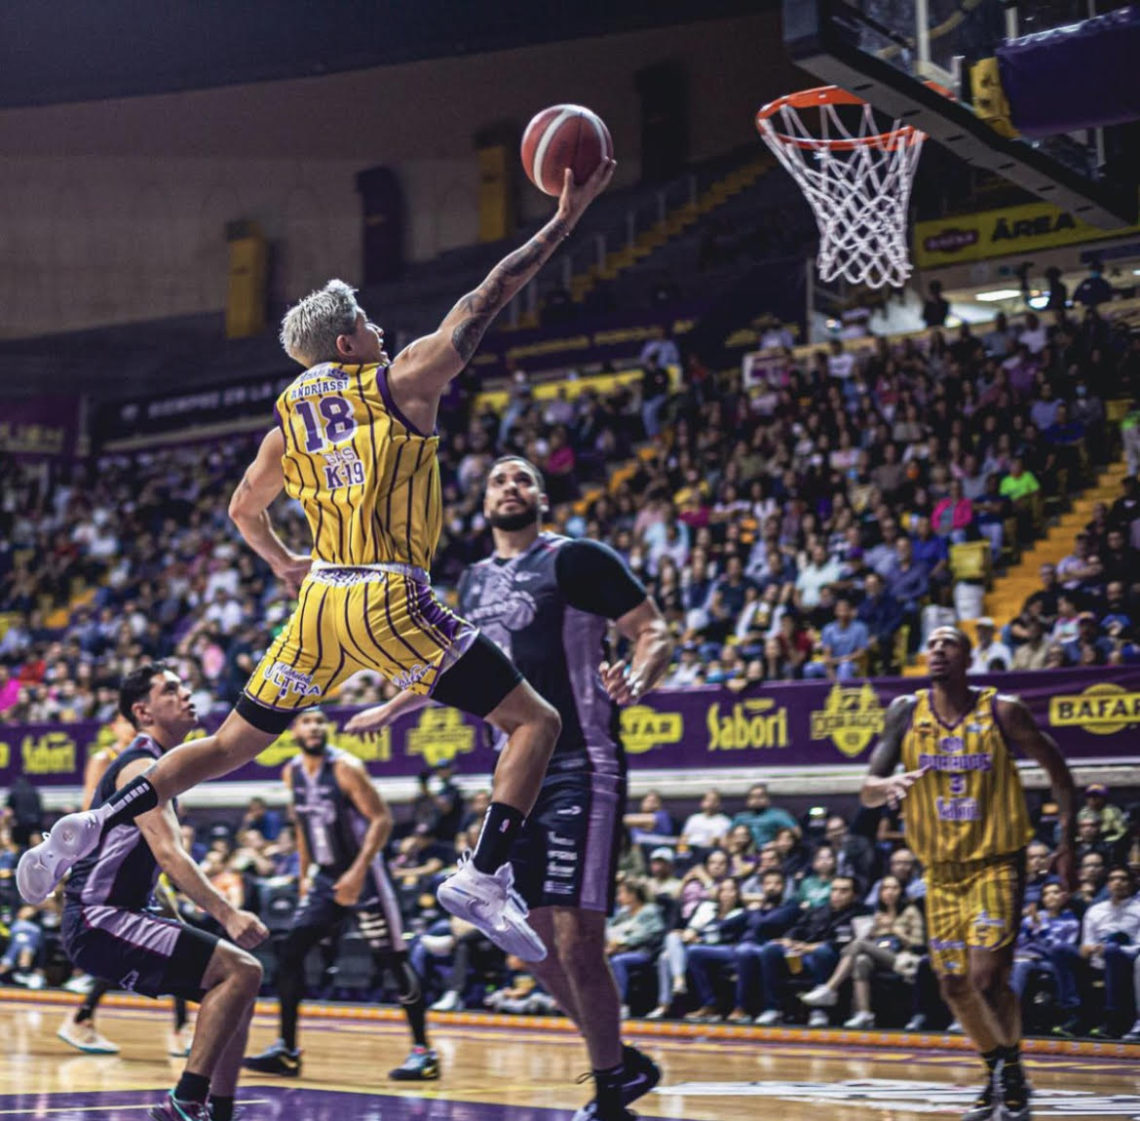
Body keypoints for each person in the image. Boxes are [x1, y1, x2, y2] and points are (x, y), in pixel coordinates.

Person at [18, 160, 617, 965]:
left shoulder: (286, 425)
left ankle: (96, 819)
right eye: (368, 320)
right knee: (535, 722)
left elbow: (241, 508)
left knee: (229, 744)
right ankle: (482, 871)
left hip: (319, 607)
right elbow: (485, 300)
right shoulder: (399, 381)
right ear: (348, 342)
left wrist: (286, 563)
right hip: (387, 597)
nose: (381, 329)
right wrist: (564, 219)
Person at [345, 454, 672, 1121]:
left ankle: (610, 1091)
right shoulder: (470, 582)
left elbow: (654, 629)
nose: (510, 486)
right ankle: (619, 1061)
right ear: (483, 500)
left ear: (542, 496)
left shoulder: (578, 559)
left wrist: (639, 676)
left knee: (581, 936)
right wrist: (390, 707)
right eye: (498, 479)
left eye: (522, 478)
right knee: (528, 938)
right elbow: (449, 663)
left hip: (584, 761)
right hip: (514, 776)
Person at [860, 626, 1076, 1121]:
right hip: (939, 869)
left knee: (985, 976)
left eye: (948, 642)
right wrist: (885, 784)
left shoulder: (1004, 711)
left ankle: (1014, 1066)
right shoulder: (904, 713)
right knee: (953, 985)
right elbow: (867, 789)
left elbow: (1059, 773)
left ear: (967, 655)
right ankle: (997, 1064)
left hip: (996, 861)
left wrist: (1066, 842)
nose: (936, 649)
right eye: (930, 643)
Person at [60, 664, 268, 1121]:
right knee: (241, 972)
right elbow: (171, 857)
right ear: (143, 711)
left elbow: (149, 864)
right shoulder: (141, 766)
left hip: (118, 911)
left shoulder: (159, 764)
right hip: (100, 916)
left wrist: (175, 916)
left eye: (184, 686)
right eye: (171, 690)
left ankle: (220, 1110)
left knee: (237, 987)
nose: (186, 695)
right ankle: (186, 1103)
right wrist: (228, 914)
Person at [242, 709, 436, 1082]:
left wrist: (357, 872)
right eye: (306, 722)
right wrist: (303, 878)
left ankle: (424, 1052)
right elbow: (302, 826)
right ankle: (286, 1049)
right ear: (294, 730)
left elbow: (382, 820)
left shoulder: (347, 768)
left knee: (394, 960)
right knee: (291, 949)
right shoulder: (291, 772)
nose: (314, 728)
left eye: (319, 722)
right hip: (326, 880)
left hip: (366, 876)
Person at [57, 730, 192, 1058]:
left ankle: (83, 1017)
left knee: (169, 936)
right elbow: (91, 816)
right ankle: (180, 1026)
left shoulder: (156, 762)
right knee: (175, 934)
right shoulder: (109, 761)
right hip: (109, 870)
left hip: (142, 867)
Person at [799, 873, 925, 1028]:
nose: (889, 892)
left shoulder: (911, 911)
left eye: (894, 888)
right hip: (878, 954)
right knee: (861, 961)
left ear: (901, 891)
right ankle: (864, 1014)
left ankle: (829, 989)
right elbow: (868, 940)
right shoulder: (874, 913)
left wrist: (893, 928)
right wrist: (872, 930)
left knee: (858, 944)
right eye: (885, 888)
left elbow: (918, 945)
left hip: (902, 958)